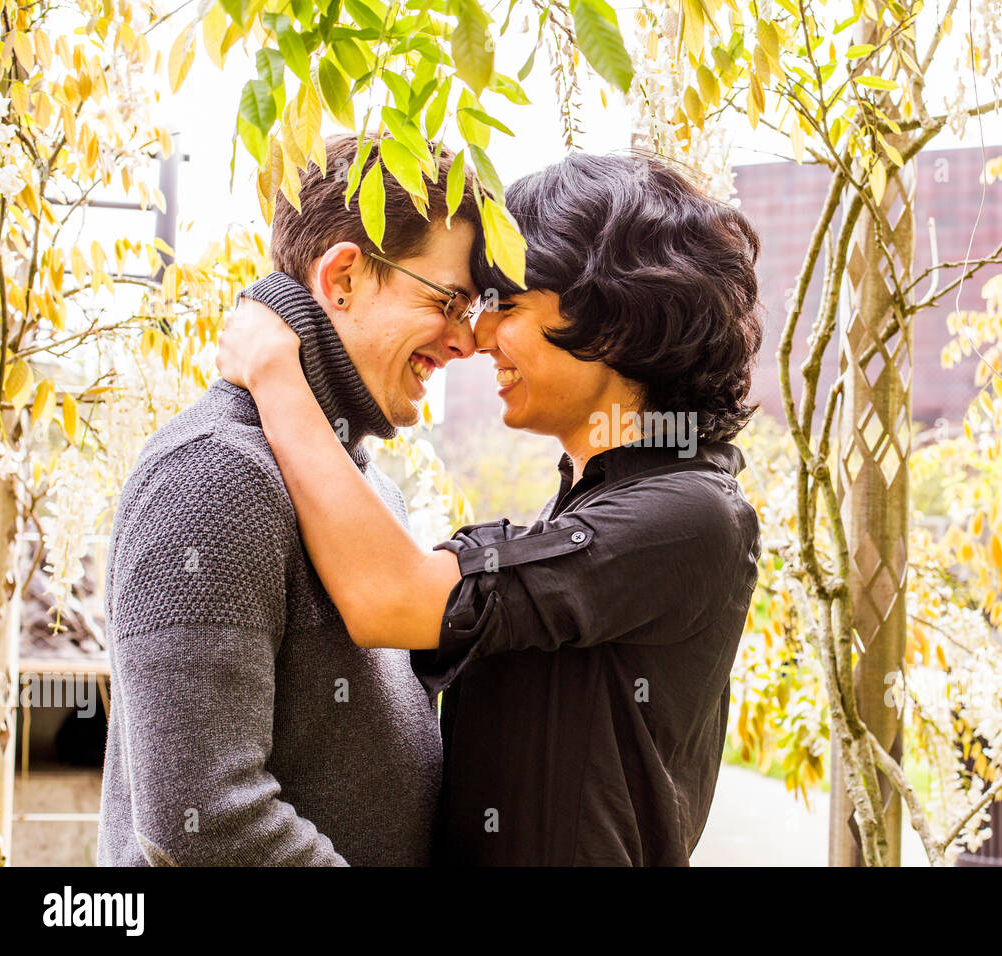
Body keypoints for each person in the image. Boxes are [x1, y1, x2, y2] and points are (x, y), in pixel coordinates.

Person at [218, 152, 764, 865]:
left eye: (504, 304)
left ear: (609, 319)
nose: (474, 338)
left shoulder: (688, 513)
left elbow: (392, 597)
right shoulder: (599, 503)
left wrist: (273, 372)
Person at [98, 133, 481, 865]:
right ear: (342, 277)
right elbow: (204, 818)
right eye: (448, 301)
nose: (466, 341)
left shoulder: (369, 492)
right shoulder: (213, 476)